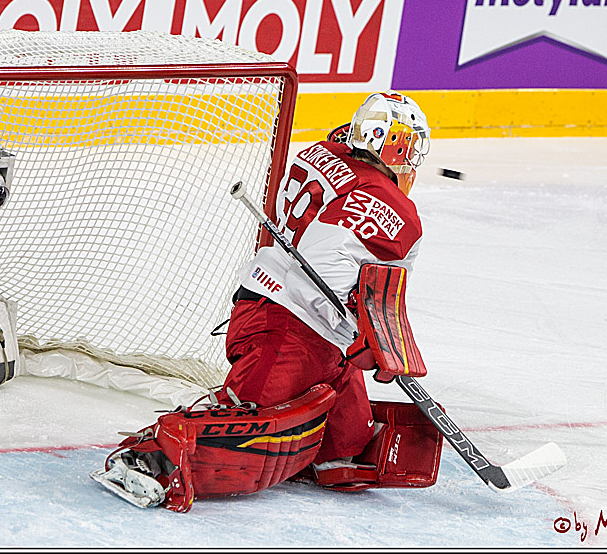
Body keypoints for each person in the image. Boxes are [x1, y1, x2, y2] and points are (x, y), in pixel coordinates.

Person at [91, 91, 441, 512]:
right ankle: (153, 459)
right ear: (394, 144)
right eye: (410, 146)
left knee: (346, 448)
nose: (411, 160)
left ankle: (315, 453)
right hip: (288, 326)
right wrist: (367, 334)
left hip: (293, 318)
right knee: (246, 427)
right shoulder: (392, 206)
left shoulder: (321, 153)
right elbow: (323, 259)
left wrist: (360, 336)